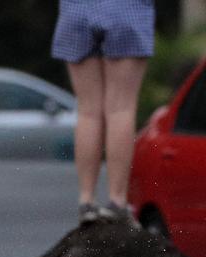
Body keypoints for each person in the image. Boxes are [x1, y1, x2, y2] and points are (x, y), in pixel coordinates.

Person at [51, 0, 154, 225]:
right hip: (127, 10)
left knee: (88, 111)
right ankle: (116, 202)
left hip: (77, 11)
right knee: (121, 109)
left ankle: (87, 200)